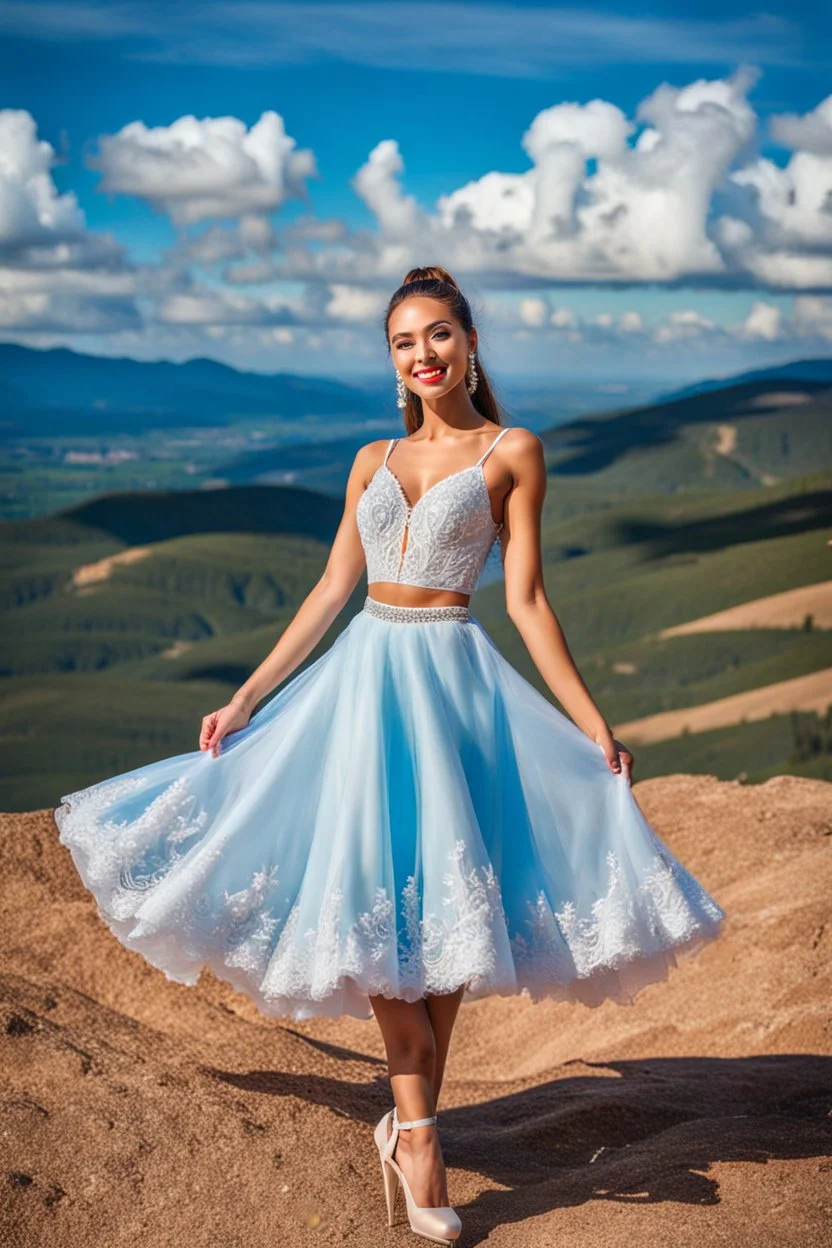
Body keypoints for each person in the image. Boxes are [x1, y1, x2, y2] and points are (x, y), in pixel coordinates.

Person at [55, 265, 726, 1247]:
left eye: (440, 335)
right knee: (374, 890)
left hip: (453, 687)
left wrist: (589, 721)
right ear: (393, 362)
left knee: (447, 905)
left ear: (471, 344)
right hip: (362, 686)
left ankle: (411, 1125)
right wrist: (245, 696)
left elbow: (528, 600)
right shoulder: (369, 457)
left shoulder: (512, 451)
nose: (424, 354)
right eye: (405, 342)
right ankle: (419, 1138)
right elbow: (331, 590)